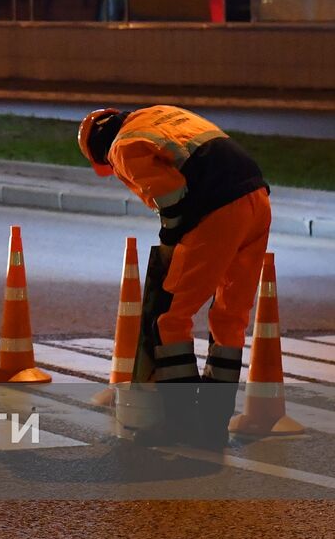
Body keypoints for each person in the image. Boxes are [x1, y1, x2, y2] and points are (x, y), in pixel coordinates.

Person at [78, 106, 271, 448]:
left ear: (100, 154)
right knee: (230, 317)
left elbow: (171, 198)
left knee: (170, 318)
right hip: (257, 197)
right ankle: (213, 424)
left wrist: (170, 245)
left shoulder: (122, 147)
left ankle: (182, 423)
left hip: (219, 210)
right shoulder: (160, 115)